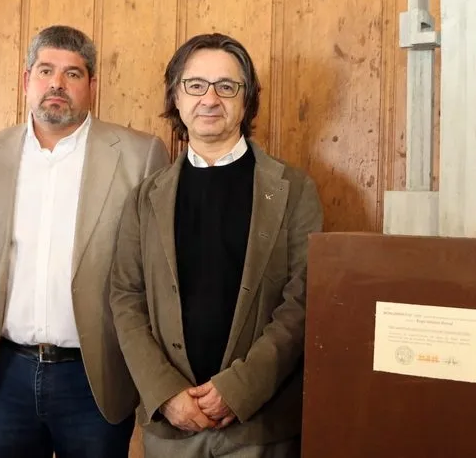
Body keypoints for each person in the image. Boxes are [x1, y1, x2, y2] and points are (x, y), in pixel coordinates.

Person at [110, 32, 323, 458]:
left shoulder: (293, 190)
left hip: (259, 426)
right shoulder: (145, 197)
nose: (210, 99)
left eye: (227, 87)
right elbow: (125, 299)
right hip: (171, 428)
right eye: (196, 85)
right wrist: (165, 393)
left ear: (247, 101)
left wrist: (240, 388)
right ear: (176, 96)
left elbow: (304, 299)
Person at [0, 24, 170, 458]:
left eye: (73, 74)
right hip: (7, 374)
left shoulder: (139, 155)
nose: (56, 84)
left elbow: (151, 268)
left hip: (92, 375)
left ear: (92, 85)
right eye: (45, 71)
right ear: (26, 80)